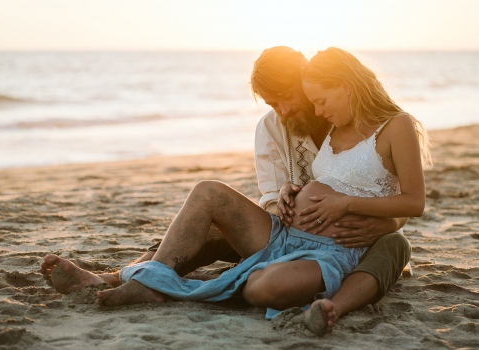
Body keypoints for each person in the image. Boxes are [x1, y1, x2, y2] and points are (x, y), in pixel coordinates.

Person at [40, 47, 421, 335]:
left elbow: (391, 190)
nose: (288, 109)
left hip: (344, 243)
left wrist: (386, 221)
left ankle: (141, 281)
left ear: (321, 84)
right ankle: (130, 279)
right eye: (274, 102)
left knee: (389, 246)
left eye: (294, 96)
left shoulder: (356, 121)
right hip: (282, 232)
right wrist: (288, 195)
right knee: (206, 203)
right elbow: (278, 195)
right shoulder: (280, 126)